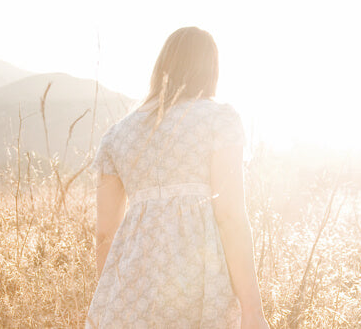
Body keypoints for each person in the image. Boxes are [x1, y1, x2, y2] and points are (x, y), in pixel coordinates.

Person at [86, 26, 268, 328]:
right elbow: (230, 216)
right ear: (211, 69)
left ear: (162, 67)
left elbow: (105, 233)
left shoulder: (117, 135)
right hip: (198, 284)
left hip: (129, 292)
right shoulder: (218, 120)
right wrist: (253, 310)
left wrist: (110, 296)